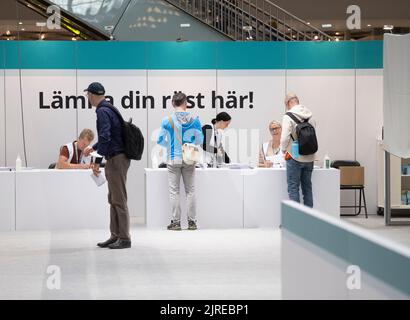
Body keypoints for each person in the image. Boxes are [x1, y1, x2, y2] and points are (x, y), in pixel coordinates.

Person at [83, 82, 131, 249]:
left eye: (88, 95)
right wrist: (93, 148)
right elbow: (107, 137)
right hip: (116, 157)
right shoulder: (108, 108)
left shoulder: (102, 111)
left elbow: (105, 138)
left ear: (92, 94)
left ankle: (124, 238)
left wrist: (96, 162)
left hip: (116, 159)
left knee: (118, 199)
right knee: (113, 199)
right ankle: (115, 235)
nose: (87, 98)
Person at [157, 92, 204, 231]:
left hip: (173, 158)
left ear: (172, 103)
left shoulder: (167, 120)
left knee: (174, 191)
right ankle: (192, 222)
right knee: (190, 190)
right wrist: (190, 146)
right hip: (189, 158)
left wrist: (171, 146)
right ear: (186, 103)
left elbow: (160, 140)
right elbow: (200, 140)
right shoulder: (195, 119)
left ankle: (176, 222)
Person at [280, 93, 317, 208]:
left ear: (288, 103)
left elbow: (285, 137)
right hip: (310, 157)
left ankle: (296, 222)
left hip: (294, 157)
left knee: (293, 188)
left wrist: (282, 149)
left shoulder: (288, 116)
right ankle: (309, 220)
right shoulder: (310, 115)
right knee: (307, 188)